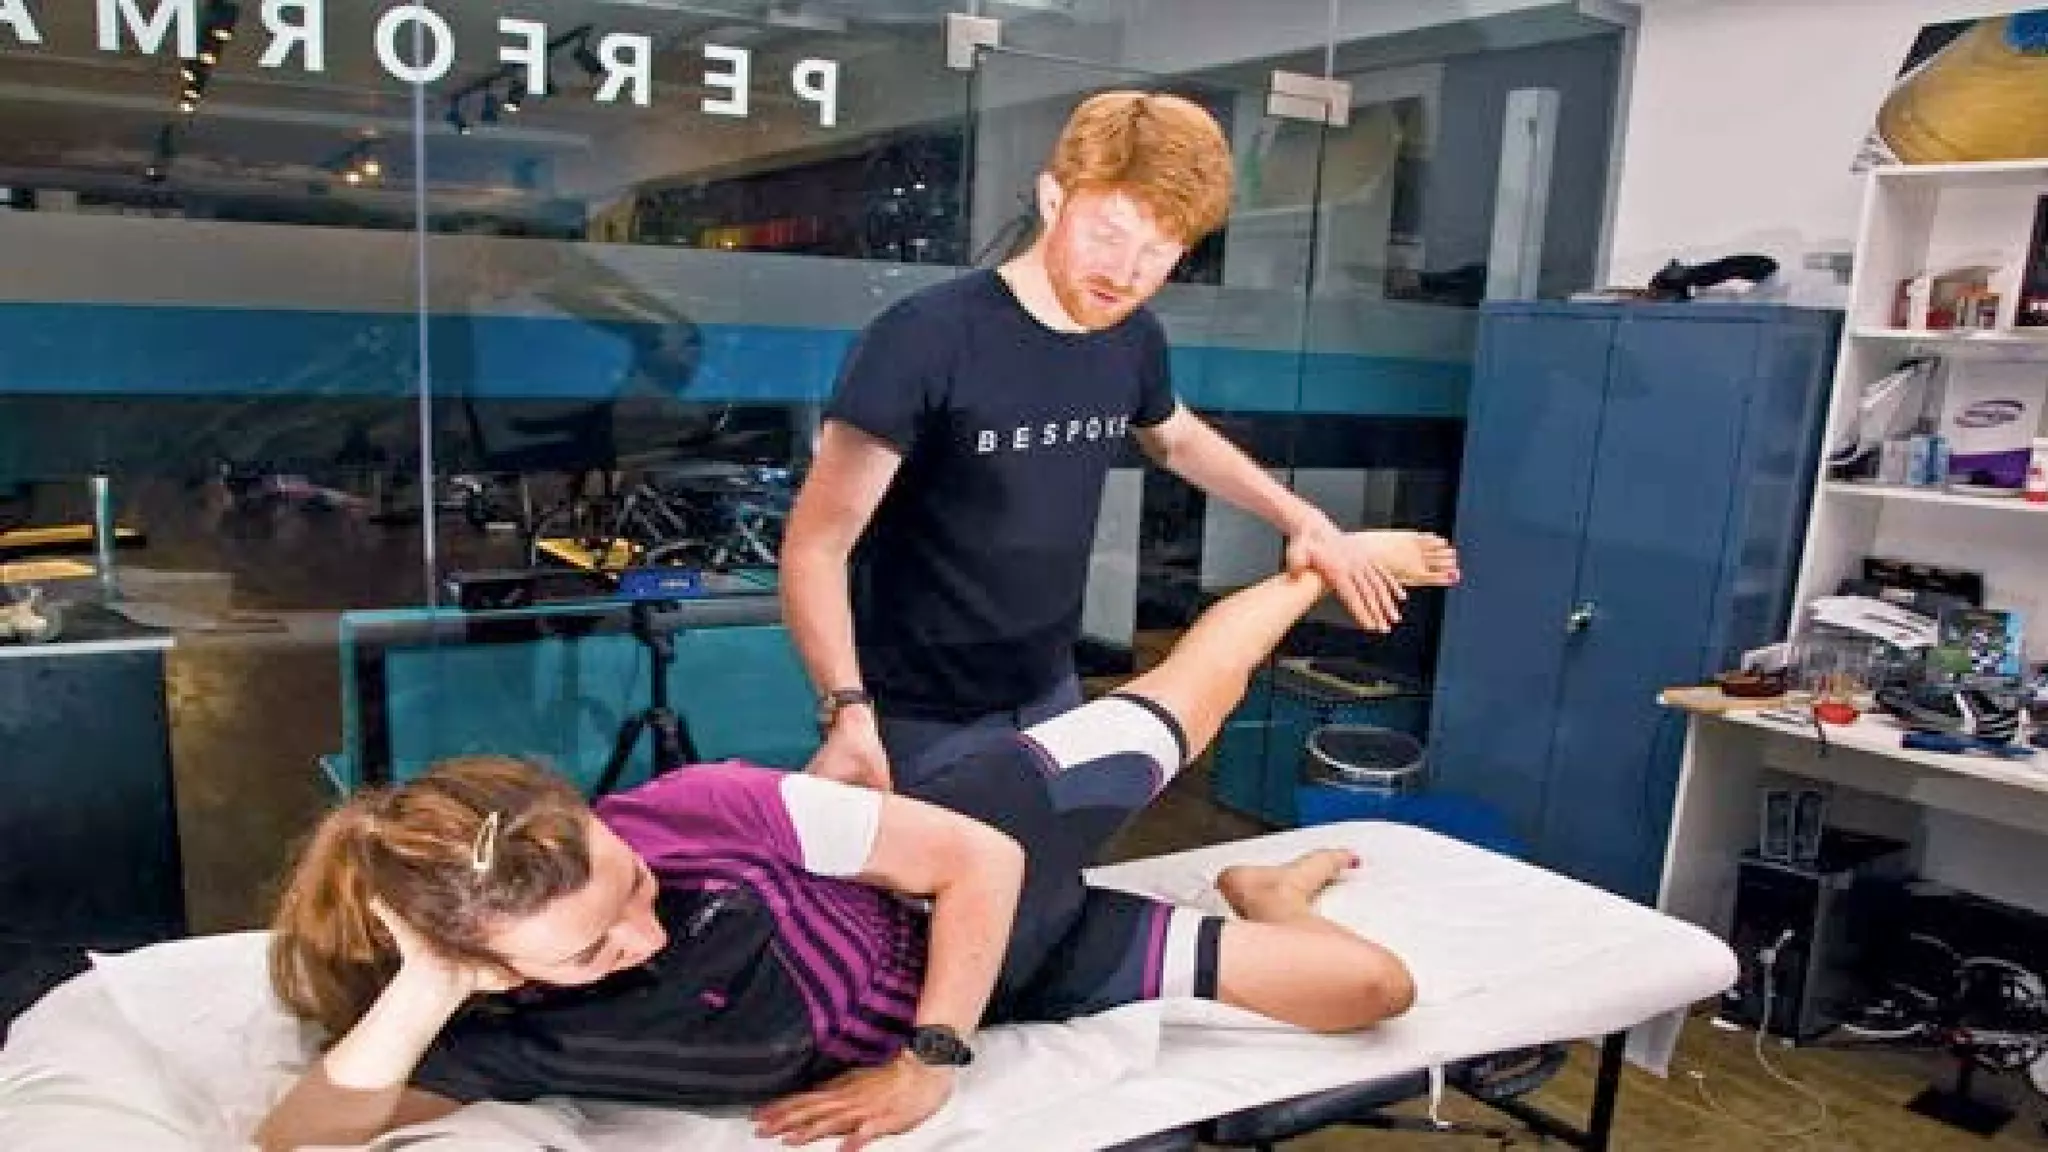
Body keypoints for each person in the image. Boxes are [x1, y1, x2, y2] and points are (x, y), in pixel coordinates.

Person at [254, 549, 1418, 1152]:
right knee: (1369, 989)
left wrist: (929, 1060)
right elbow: (298, 1139)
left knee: (1189, 695)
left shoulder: (699, 805)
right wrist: (427, 990)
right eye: (590, 950)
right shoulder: (501, 1030)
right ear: (489, 971)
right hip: (1031, 968)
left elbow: (979, 866)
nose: (643, 933)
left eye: (634, 888)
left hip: (986, 855)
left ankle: (1310, 567)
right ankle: (1265, 889)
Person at [782, 89, 1460, 790]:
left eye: (1158, 251)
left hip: (1051, 689)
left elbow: (1175, 437)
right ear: (1052, 198)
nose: (1126, 272)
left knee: (1050, 854)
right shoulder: (923, 338)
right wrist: (847, 710)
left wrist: (1302, 519)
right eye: (1108, 233)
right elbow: (815, 547)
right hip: (912, 713)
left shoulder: (1133, 336)